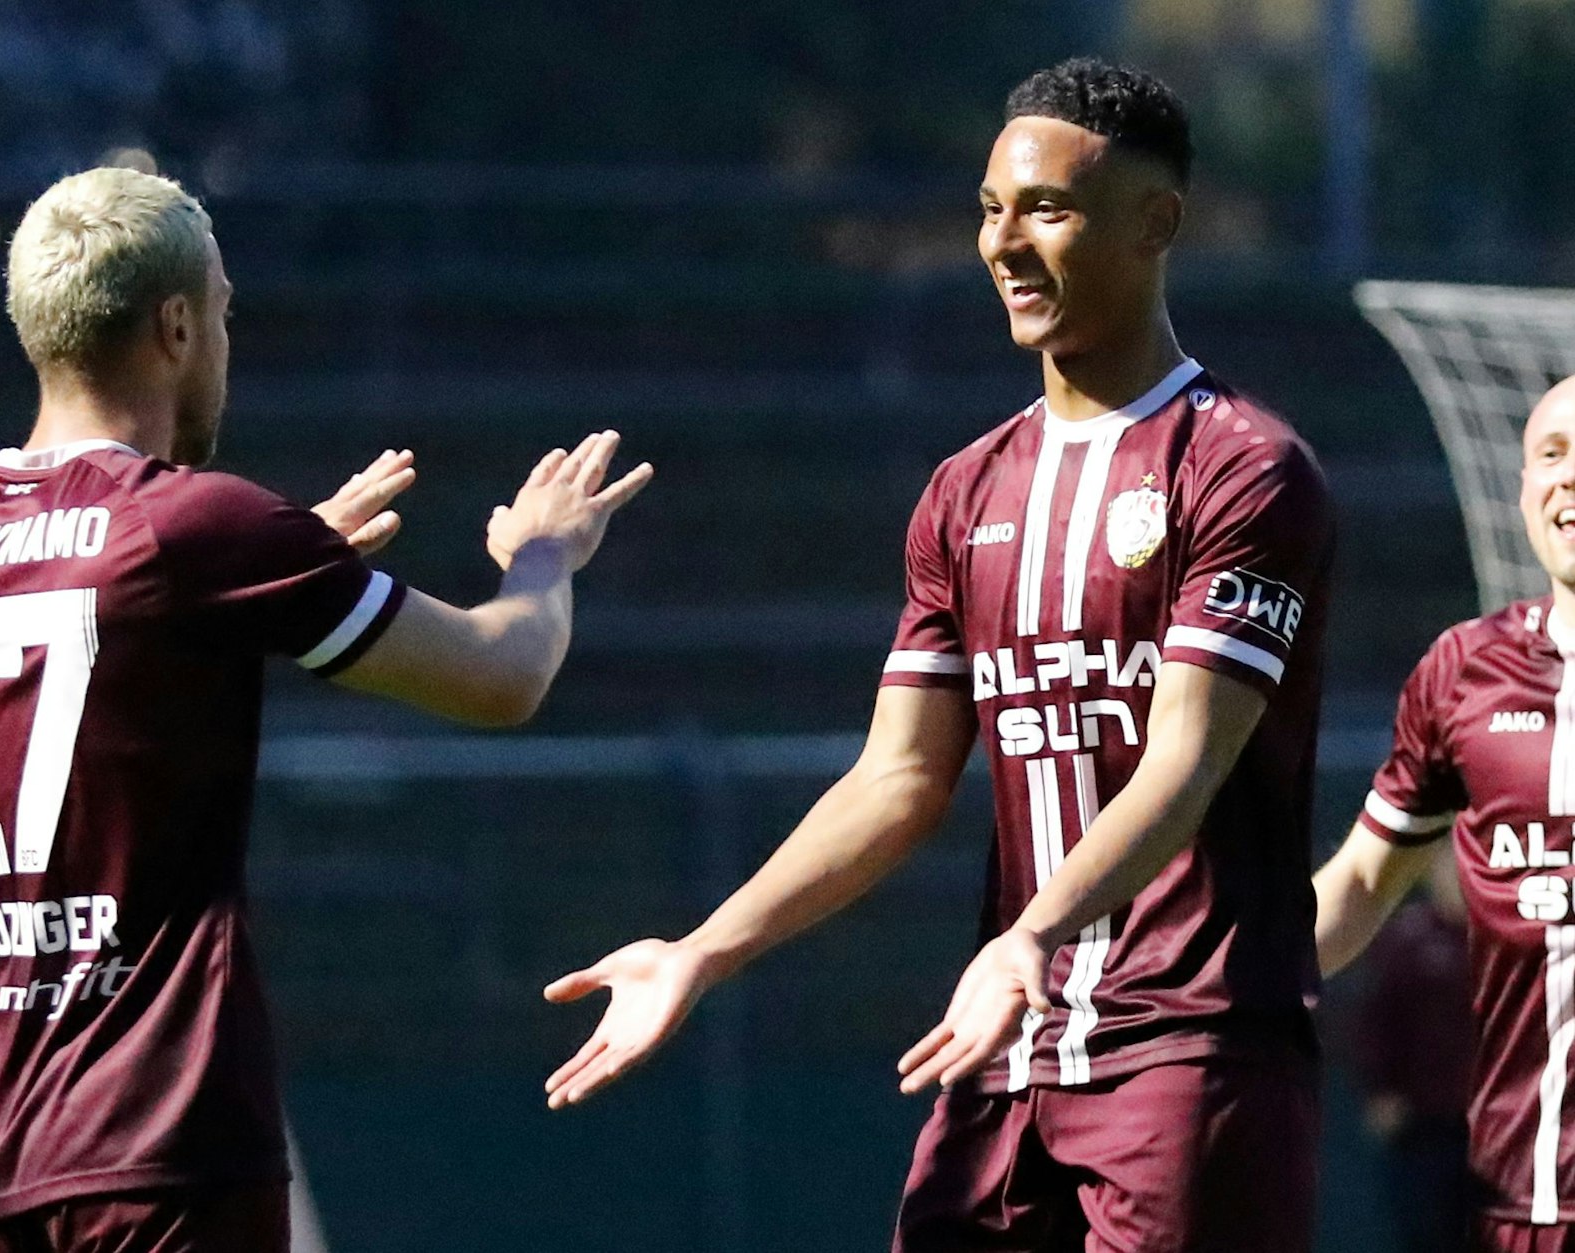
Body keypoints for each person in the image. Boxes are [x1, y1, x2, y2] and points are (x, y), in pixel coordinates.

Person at [542, 58, 1332, 1252]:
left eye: (1047, 210)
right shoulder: (965, 492)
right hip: (1004, 1051)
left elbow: (1183, 761)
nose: (1004, 244)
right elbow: (898, 778)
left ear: (1154, 223)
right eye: (988, 209)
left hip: (1187, 1045)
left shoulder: (1240, 468)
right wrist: (700, 952)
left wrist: (1030, 931)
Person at [0, 166, 651, 1253]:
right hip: (164, 1141)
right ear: (178, 324)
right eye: (225, 310)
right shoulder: (193, 530)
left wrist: (268, 563)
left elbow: (99, 626)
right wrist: (544, 555)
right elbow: (501, 674)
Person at [1315, 376, 1575, 1252]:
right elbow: (1358, 882)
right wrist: (1192, 972)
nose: (1567, 478)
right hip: (1519, 1201)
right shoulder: (1466, 670)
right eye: (1550, 455)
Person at [1341, 847, 1474, 1253]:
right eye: (1447, 867)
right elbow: (1375, 1021)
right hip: (1423, 1125)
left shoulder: (1503, 939)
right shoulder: (1407, 939)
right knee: (1424, 1233)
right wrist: (1381, 1093)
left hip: (1494, 1125)